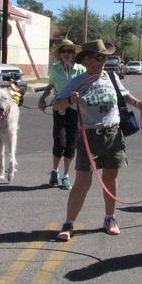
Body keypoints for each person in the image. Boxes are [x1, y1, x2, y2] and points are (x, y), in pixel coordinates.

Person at [52, 39, 142, 241]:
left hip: (114, 135)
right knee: (82, 183)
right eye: (99, 57)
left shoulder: (112, 77)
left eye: (105, 57)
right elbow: (56, 104)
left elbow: (125, 96)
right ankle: (69, 223)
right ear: (87, 60)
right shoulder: (78, 81)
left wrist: (138, 103)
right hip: (89, 137)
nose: (104, 60)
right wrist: (71, 100)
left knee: (111, 179)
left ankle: (110, 218)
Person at [38, 39, 86, 189]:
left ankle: (66, 175)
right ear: (59, 54)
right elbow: (51, 86)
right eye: (63, 51)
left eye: (69, 51)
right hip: (59, 108)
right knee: (59, 141)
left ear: (73, 54)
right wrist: (42, 97)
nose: (66, 54)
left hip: (75, 110)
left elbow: (87, 88)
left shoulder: (81, 70)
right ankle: (54, 171)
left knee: (71, 143)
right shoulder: (55, 69)